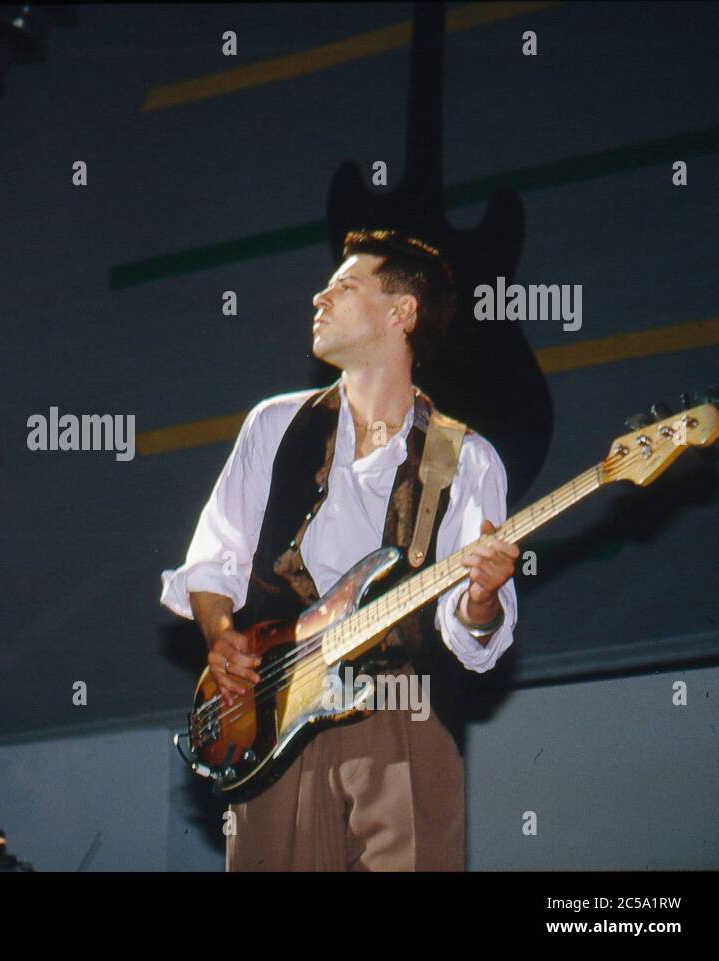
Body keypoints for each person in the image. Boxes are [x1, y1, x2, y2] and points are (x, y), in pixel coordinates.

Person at [160, 229, 519, 871]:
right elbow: (215, 558)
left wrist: (482, 597)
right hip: (273, 723)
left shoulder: (464, 458)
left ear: (401, 313)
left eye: (345, 285)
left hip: (398, 711)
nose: (320, 296)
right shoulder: (274, 425)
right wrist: (219, 635)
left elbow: (471, 638)